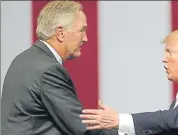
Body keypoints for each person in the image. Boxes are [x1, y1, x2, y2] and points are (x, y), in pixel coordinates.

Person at [80, 28, 178, 135]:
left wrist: (120, 120)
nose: (164, 59)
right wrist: (118, 128)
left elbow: (177, 120)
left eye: (170, 53)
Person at [1, 1, 117, 135]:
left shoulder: (23, 59)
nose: (85, 38)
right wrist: (124, 126)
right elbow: (82, 130)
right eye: (82, 30)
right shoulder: (49, 71)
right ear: (60, 33)